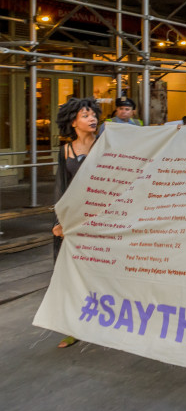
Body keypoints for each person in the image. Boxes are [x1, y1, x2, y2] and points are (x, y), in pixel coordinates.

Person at [52, 97, 102, 349]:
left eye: (93, 113)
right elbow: (61, 189)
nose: (92, 118)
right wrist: (60, 221)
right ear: (73, 122)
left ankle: (108, 322)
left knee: (103, 272)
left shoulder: (106, 144)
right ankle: (74, 326)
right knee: (72, 275)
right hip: (76, 221)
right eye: (85, 115)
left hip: (103, 218)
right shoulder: (66, 151)